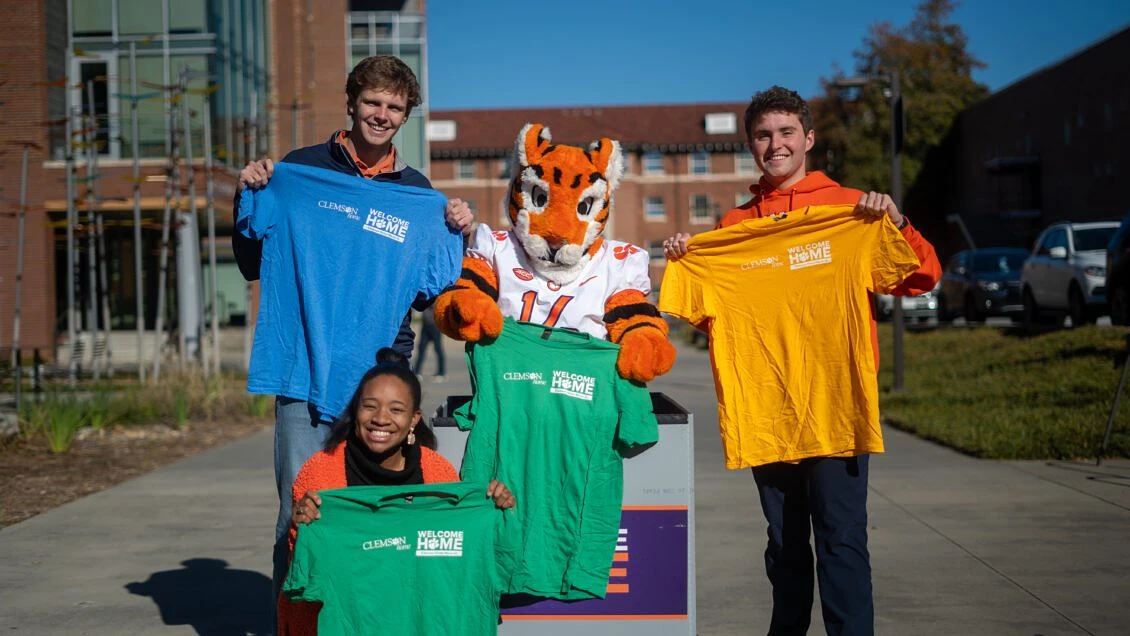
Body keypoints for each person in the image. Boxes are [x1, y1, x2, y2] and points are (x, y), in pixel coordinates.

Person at [663, 86, 941, 636]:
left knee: (842, 539)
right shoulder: (732, 228)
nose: (776, 144)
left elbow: (923, 275)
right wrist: (687, 262)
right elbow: (712, 315)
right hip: (768, 411)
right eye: (764, 135)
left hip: (838, 408)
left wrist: (897, 222)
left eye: (786, 132)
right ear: (750, 145)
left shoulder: (852, 210)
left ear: (808, 139)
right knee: (785, 546)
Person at [231, 55, 474, 615]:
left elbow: (432, 291)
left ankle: (367, 620)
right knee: (302, 512)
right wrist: (249, 190)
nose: (382, 115)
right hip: (303, 370)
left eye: (394, 107)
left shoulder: (417, 195)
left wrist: (457, 230)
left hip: (380, 380)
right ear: (352, 102)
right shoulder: (298, 172)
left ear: (406, 114)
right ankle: (295, 624)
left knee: (380, 513)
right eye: (373, 102)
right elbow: (250, 260)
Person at [279, 348, 516, 635]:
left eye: (396, 409)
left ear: (414, 419)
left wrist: (494, 507)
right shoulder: (320, 474)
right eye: (370, 406)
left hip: (419, 620)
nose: (381, 418)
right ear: (356, 410)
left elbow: (464, 558)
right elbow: (304, 574)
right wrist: (299, 526)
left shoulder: (438, 475)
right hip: (348, 622)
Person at [412, 305, 445, 380]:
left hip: (435, 326)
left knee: (438, 349)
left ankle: (441, 372)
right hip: (425, 326)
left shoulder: (436, 296)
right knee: (421, 349)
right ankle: (417, 372)